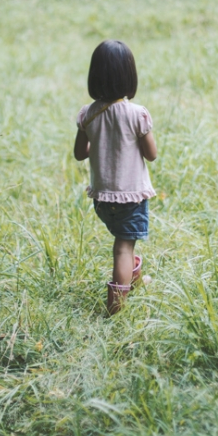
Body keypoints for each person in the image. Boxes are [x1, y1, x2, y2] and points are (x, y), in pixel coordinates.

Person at [73, 40, 158, 315]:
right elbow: (151, 154)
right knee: (123, 247)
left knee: (124, 240)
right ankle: (116, 307)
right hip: (130, 196)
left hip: (101, 197)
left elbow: (80, 153)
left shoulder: (88, 114)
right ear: (129, 77)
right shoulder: (137, 114)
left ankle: (133, 281)